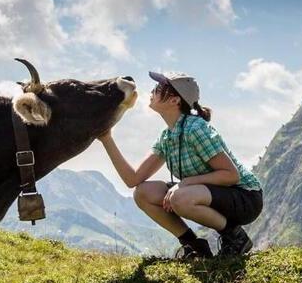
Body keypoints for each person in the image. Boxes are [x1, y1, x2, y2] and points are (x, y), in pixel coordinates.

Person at [97, 71, 263, 259]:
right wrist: (106, 139)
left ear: (175, 100)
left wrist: (183, 184)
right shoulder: (167, 136)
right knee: (143, 193)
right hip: (207, 195)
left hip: (244, 198)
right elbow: (133, 179)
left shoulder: (196, 129)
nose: (153, 91)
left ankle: (236, 238)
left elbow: (230, 175)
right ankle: (194, 246)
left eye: (159, 88)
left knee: (179, 197)